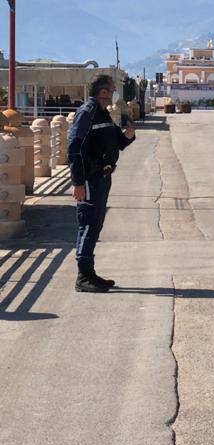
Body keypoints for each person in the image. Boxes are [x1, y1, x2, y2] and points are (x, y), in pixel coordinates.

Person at [68, 74, 135, 293]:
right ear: (104, 92)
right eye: (113, 90)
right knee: (88, 224)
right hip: (90, 178)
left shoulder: (102, 114)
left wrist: (128, 136)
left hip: (103, 178)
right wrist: (77, 182)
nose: (115, 94)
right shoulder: (87, 113)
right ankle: (83, 277)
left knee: (95, 224)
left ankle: (90, 273)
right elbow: (75, 149)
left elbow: (117, 141)